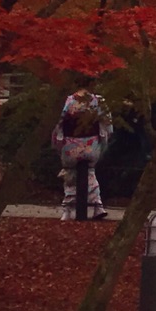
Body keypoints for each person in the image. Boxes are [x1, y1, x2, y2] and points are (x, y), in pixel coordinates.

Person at [54, 86, 112, 220]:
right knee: (90, 172)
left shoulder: (68, 101)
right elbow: (108, 125)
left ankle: (68, 208)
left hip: (70, 145)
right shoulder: (98, 101)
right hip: (91, 145)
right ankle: (97, 205)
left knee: (69, 172)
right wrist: (104, 141)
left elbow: (59, 125)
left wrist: (58, 144)